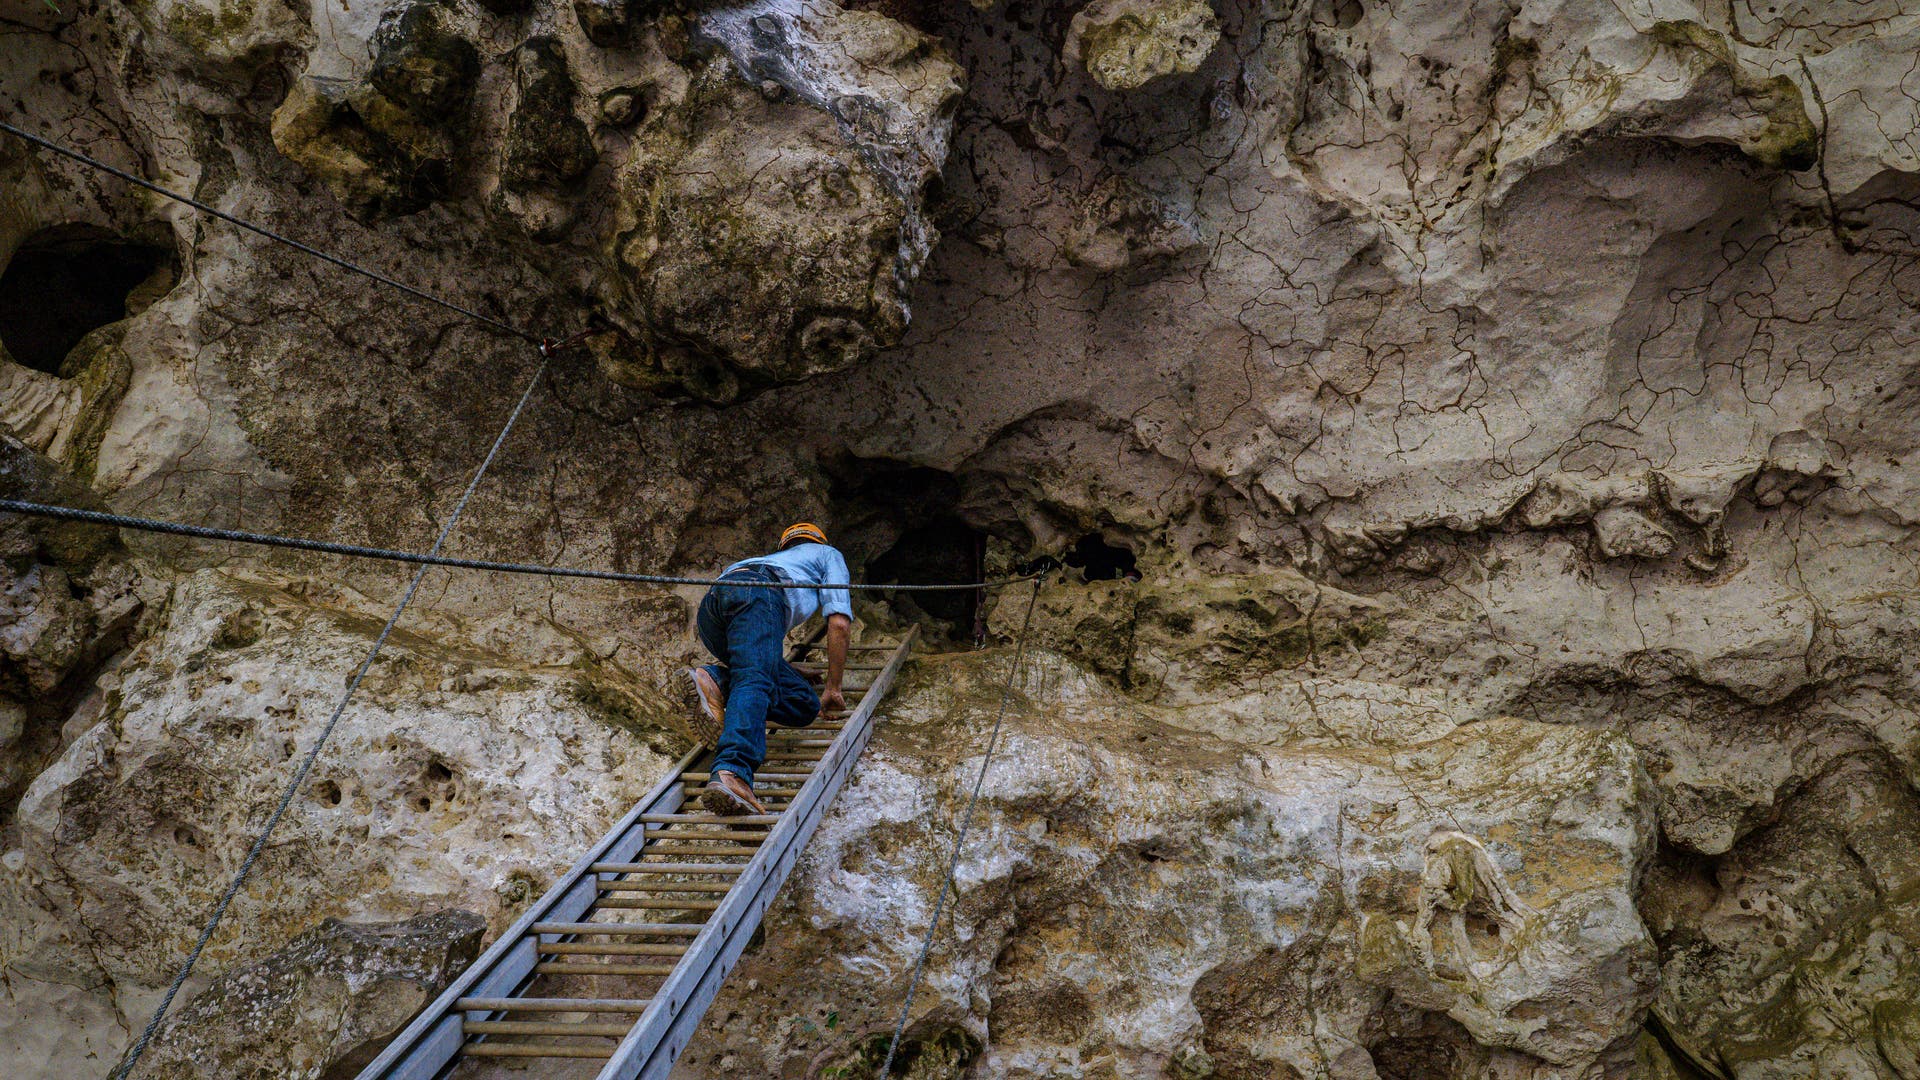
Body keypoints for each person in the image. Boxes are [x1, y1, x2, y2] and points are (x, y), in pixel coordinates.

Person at [686, 522, 854, 815]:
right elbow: (838, 623)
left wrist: (786, 668)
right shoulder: (828, 555)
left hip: (714, 608)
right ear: (819, 541)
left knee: (803, 704)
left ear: (785, 545)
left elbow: (752, 641)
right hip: (760, 593)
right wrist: (833, 687)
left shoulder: (770, 559)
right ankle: (732, 771)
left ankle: (717, 679)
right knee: (755, 679)